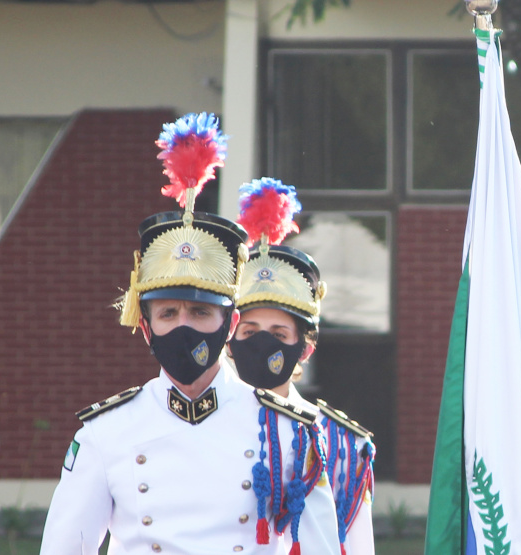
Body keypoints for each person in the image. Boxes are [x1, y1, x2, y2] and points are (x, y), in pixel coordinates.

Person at [40, 113, 339, 555]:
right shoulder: (105, 433)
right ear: (145, 327)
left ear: (231, 324)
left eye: (201, 312)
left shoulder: (288, 432)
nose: (183, 326)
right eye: (168, 313)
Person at [227, 177, 376, 555]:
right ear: (228, 340)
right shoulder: (194, 423)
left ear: (304, 349)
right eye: (250, 330)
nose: (262, 342)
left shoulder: (344, 445)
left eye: (278, 333)